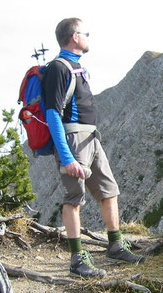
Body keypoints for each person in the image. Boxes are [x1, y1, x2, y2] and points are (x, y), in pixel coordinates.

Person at [43, 17, 145, 278]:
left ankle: (115, 244)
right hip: (73, 140)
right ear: (74, 36)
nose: (88, 36)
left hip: (91, 139)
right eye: (85, 32)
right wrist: (67, 157)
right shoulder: (59, 68)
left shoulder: (76, 67)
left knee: (109, 190)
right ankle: (78, 260)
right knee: (74, 198)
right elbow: (52, 113)